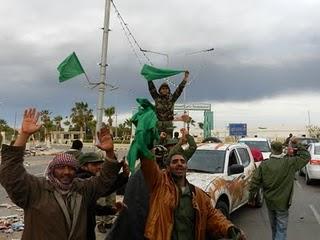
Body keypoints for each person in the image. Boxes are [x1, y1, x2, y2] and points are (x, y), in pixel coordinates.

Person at [0, 108, 125, 240]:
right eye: (61, 167)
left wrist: (110, 153)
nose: (66, 172)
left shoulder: (82, 189)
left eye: (71, 168)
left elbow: (104, 180)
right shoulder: (36, 189)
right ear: (52, 169)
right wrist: (24, 135)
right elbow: (10, 174)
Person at [139, 140, 246, 239]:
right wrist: (148, 142)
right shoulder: (159, 185)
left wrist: (230, 229)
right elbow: (148, 163)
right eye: (174, 161)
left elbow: (214, 216)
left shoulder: (198, 195)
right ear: (168, 167)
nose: (179, 163)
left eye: (182, 161)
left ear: (186, 167)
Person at [107, 129, 198, 240]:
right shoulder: (147, 172)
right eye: (169, 145)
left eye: (173, 145)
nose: (178, 164)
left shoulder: (171, 164)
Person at [248, 137, 311, 240]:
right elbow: (306, 156)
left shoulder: (264, 164)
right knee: (281, 229)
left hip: (270, 203)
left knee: (274, 228)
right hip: (283, 204)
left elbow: (255, 182)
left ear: (271, 150)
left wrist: (251, 198)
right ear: (281, 150)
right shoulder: (290, 163)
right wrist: (297, 144)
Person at [76, 152, 129, 240]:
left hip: (85, 228)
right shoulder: (82, 180)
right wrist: (123, 176)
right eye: (94, 164)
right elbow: (104, 189)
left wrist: (111, 210)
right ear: (83, 166)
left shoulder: (86, 180)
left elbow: (90, 206)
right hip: (81, 231)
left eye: (100, 164)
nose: (99, 167)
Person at [147, 71, 189, 137]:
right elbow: (151, 88)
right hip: (159, 123)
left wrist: (185, 78)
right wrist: (149, 79)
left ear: (169, 90)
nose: (164, 90)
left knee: (168, 142)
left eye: (166, 89)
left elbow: (179, 89)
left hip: (168, 124)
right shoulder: (156, 97)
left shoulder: (172, 99)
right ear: (160, 90)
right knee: (157, 141)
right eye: (163, 89)